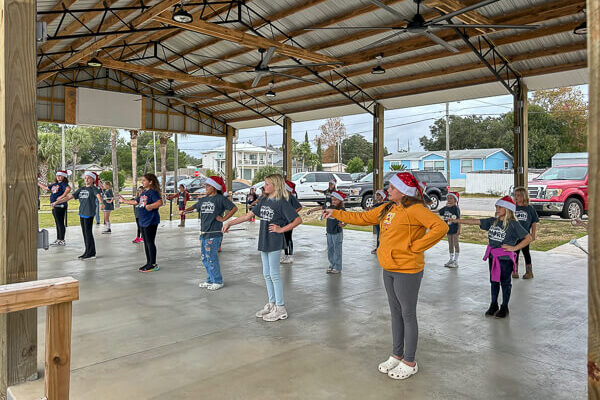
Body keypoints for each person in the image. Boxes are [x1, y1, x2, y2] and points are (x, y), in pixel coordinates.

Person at [323, 172, 447, 380]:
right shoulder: (389, 208)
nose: (388, 190)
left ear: (404, 191)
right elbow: (363, 217)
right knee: (395, 313)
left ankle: (410, 361)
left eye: (392, 188)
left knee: (407, 314)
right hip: (388, 267)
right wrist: (336, 213)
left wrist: (416, 246)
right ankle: (397, 355)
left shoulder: (416, 209)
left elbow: (440, 227)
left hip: (407, 269)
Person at [223, 174, 302, 322]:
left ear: (275, 186)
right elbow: (248, 216)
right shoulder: (264, 200)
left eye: (267, 184)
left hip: (274, 240)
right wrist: (229, 223)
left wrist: (281, 229)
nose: (264, 186)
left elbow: (298, 220)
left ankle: (280, 307)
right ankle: (272, 304)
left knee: (275, 275)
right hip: (264, 239)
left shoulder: (282, 203)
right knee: (266, 274)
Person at [451, 196, 532, 319]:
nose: (497, 209)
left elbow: (528, 238)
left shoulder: (513, 224)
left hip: (505, 259)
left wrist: (514, 248)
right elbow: (475, 221)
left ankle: (504, 307)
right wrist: (457, 221)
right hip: (493, 257)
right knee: (494, 282)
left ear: (507, 209)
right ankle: (493, 304)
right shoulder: (493, 221)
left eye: (500, 207)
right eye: (496, 207)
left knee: (505, 283)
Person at [182, 176, 237, 290]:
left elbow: (234, 208)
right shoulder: (204, 199)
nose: (205, 188)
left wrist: (224, 219)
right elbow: (195, 207)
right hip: (204, 233)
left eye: (208, 186)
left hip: (214, 233)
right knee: (205, 258)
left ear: (215, 187)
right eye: (206, 186)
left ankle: (218, 280)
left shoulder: (220, 199)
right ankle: (210, 279)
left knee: (211, 257)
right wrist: (185, 211)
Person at [54, 171, 103, 260]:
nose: (87, 180)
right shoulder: (81, 189)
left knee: (88, 233)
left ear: (93, 180)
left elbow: (98, 196)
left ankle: (91, 253)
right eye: (85, 178)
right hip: (82, 213)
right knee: (84, 233)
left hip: (89, 213)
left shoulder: (94, 189)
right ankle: (87, 251)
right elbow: (69, 197)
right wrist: (57, 202)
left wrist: (101, 203)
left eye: (89, 178)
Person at [120, 174, 163, 272]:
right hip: (143, 220)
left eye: (144, 180)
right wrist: (124, 201)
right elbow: (136, 202)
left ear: (150, 182)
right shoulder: (144, 193)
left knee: (150, 242)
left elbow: (160, 202)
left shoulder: (153, 192)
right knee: (146, 243)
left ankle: (153, 264)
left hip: (151, 220)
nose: (142, 182)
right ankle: (148, 262)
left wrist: (151, 206)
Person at [38, 170, 71, 246]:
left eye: (60, 176)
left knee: (60, 223)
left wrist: (61, 196)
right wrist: (38, 183)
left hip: (60, 205)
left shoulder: (64, 184)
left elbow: (68, 189)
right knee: (57, 223)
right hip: (54, 205)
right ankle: (58, 239)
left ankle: (62, 240)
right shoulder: (55, 184)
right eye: (57, 176)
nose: (58, 177)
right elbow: (46, 188)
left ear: (64, 177)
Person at [513, 187, 539, 279]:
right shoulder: (513, 207)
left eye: (518, 195)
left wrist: (533, 234)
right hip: (514, 235)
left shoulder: (529, 208)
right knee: (514, 252)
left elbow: (534, 222)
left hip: (525, 236)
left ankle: (529, 272)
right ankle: (514, 271)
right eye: (515, 195)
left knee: (526, 252)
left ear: (524, 196)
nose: (516, 197)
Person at [324, 190, 346, 274]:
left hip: (337, 232)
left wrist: (343, 224)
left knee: (337, 250)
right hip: (329, 231)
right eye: (332, 200)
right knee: (330, 249)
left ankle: (337, 267)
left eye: (336, 200)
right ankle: (331, 265)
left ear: (340, 200)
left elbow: (346, 219)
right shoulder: (330, 208)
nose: (333, 202)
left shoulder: (341, 209)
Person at [281, 180, 302, 264]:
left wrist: (292, 213)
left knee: (289, 237)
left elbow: (299, 207)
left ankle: (290, 255)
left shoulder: (291, 197)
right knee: (284, 238)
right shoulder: (283, 197)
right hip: (283, 220)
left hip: (290, 220)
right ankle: (286, 254)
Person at [438, 192, 461, 268]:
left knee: (455, 244)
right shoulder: (446, 208)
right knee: (450, 245)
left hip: (454, 229)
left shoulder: (455, 208)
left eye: (451, 198)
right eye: (448, 198)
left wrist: (459, 229)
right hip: (448, 229)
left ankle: (456, 261)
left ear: (455, 200)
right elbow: (438, 211)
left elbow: (458, 219)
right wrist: (428, 211)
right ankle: (451, 259)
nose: (449, 199)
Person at [370, 189, 388, 254]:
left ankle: (380, 248)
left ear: (382, 196)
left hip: (382, 222)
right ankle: (379, 247)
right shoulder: (375, 205)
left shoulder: (384, 204)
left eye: (379, 195)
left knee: (381, 236)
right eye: (376, 195)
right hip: (377, 222)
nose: (377, 196)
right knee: (379, 235)